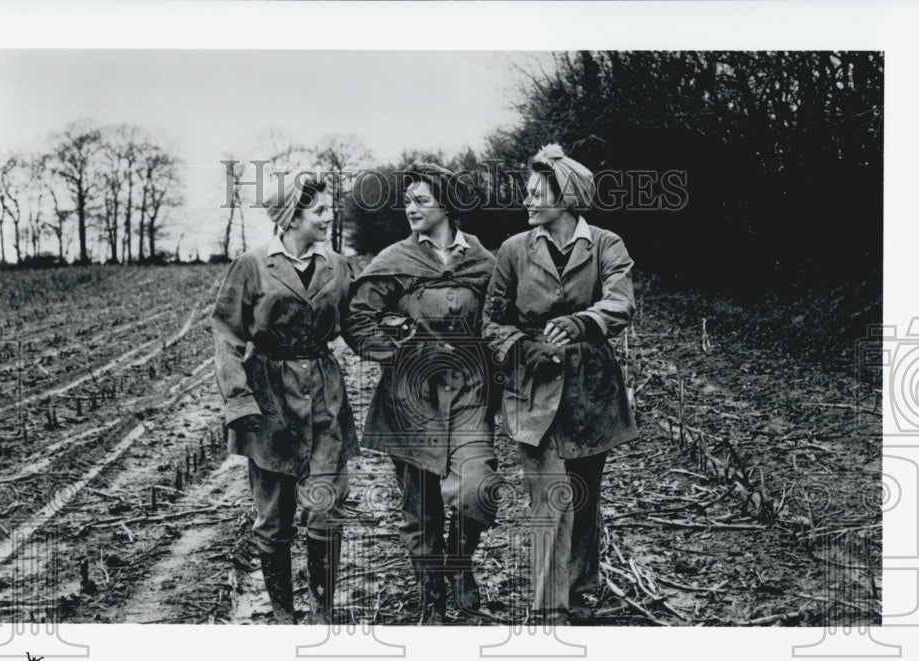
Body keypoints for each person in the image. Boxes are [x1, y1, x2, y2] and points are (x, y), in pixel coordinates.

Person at [482, 144, 638, 625]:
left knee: (584, 493)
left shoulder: (607, 245)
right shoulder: (513, 250)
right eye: (526, 192)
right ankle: (550, 610)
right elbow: (493, 321)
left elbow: (621, 302)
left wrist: (582, 322)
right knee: (551, 496)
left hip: (592, 392)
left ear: (566, 197)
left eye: (536, 192)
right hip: (533, 390)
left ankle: (577, 587)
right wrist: (524, 350)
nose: (527, 200)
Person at [344, 162, 499, 624]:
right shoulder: (395, 260)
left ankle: (459, 558)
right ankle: (431, 595)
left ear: (446, 205)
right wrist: (396, 355)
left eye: (420, 200)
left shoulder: (483, 262)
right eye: (406, 201)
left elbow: (502, 317)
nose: (409, 208)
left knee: (478, 488)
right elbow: (357, 319)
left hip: (470, 391)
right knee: (421, 506)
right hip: (411, 398)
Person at [211, 170, 359, 624]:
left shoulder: (337, 265)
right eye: (320, 211)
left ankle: (322, 613)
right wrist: (238, 400)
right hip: (271, 399)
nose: (328, 217)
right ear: (292, 217)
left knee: (326, 507)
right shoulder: (253, 265)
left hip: (324, 396)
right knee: (274, 518)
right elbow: (227, 333)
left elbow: (355, 326)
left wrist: (405, 345)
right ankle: (282, 614)